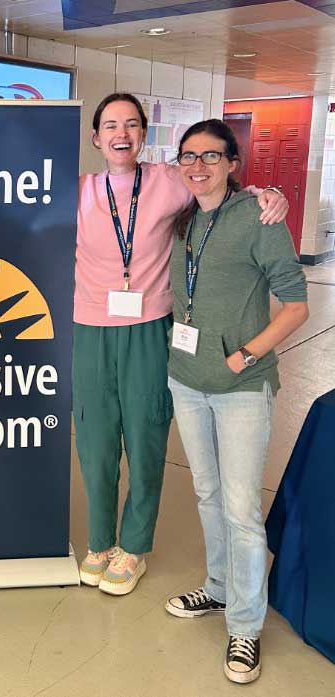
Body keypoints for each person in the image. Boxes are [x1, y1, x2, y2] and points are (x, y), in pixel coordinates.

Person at [74, 93, 287, 596]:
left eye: (131, 124)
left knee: (147, 439)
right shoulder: (78, 190)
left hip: (150, 327)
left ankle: (134, 545)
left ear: (143, 134)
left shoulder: (171, 180)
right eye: (110, 125)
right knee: (95, 442)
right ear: (96, 137)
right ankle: (100, 540)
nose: (120, 133)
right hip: (88, 328)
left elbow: (221, 186)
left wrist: (268, 191)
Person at [163, 119, 308, 683]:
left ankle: (245, 628)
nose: (197, 167)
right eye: (188, 157)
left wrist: (245, 356)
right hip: (186, 379)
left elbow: (296, 306)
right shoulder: (184, 219)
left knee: (243, 509)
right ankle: (220, 590)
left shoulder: (259, 216)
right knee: (207, 493)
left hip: (241, 387)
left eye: (210, 156)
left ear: (232, 163)